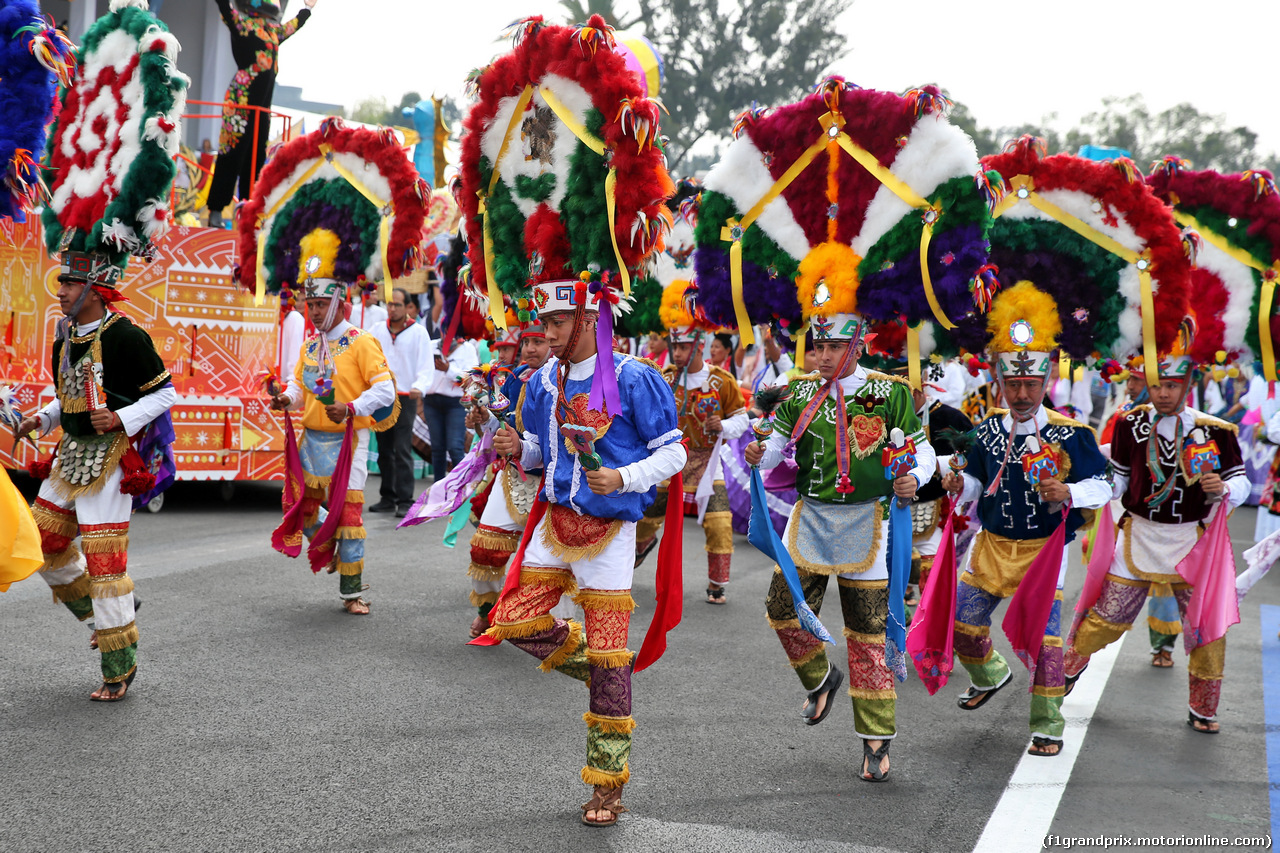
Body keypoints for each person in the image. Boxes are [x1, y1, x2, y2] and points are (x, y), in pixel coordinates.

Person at [745, 314, 935, 783]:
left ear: (859, 346)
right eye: (817, 346)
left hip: (869, 521)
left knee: (868, 635)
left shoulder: (890, 393)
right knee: (781, 608)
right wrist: (758, 451)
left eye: (834, 346)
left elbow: (921, 450)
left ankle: (876, 739)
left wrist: (916, 476)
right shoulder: (799, 391)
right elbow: (774, 446)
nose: (823, 355)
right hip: (809, 517)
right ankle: (820, 678)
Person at [941, 285, 1111, 758]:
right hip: (992, 545)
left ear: (1045, 382)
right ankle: (991, 674)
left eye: (1030, 385)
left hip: (1044, 552)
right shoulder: (988, 428)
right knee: (962, 623)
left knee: (1046, 644)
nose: (1020, 393)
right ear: (999, 380)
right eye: (1012, 384)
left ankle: (1047, 727)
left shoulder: (1071, 433)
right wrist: (961, 486)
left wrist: (1069, 491)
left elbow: (1104, 486)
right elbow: (977, 481)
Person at [1064, 345, 1247, 733]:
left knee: (1204, 630)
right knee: (1106, 619)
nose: (1164, 393)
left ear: (1188, 384)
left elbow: (1240, 480)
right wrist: (1084, 492)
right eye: (1158, 384)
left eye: (1172, 385)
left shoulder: (1216, 430)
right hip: (1139, 537)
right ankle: (1062, 676)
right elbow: (1117, 480)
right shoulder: (1131, 425)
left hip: (1192, 544)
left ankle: (1204, 706)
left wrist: (1224, 489)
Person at [20, 251, 178, 701]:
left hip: (110, 459)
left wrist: (123, 418)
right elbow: (68, 396)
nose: (61, 291)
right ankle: (99, 615)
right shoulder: (65, 335)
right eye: (62, 283)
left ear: (94, 289)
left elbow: (165, 393)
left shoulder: (126, 336)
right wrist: (43, 419)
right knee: (39, 542)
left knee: (105, 562)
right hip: (70, 454)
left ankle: (119, 668)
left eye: (69, 284)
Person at [269, 245, 396, 614]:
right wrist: (285, 399)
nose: (316, 311)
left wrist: (351, 407)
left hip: (349, 441)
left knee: (349, 517)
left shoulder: (361, 341)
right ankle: (334, 549)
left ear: (340, 303)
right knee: (301, 509)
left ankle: (352, 592)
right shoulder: (310, 346)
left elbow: (385, 388)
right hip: (313, 440)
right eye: (312, 305)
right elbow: (298, 389)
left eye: (322, 304)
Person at [635, 281, 748, 602]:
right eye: (676, 348)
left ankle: (716, 583)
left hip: (706, 460)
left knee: (719, 522)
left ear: (700, 345)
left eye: (684, 348)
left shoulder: (721, 381)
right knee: (645, 517)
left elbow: (742, 419)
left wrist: (722, 423)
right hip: (667, 460)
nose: (678, 354)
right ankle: (639, 548)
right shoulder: (664, 376)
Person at [463, 319, 550, 637]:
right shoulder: (514, 380)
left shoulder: (565, 382)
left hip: (552, 485)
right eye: (527, 342)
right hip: (514, 476)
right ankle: (488, 610)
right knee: (485, 547)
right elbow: (503, 427)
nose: (530, 349)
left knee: (548, 561)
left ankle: (548, 622)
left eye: (538, 342)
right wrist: (484, 419)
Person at [206, 0, 317, 227]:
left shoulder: (273, 31)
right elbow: (225, 9)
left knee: (255, 159)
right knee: (230, 155)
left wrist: (307, 9)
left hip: (262, 109)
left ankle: (249, 211)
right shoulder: (242, 23)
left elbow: (293, 26)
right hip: (240, 104)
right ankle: (216, 210)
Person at [370, 288, 436, 517]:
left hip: (406, 396)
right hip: (381, 395)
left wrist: (420, 385)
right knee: (384, 449)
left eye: (397, 304)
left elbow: (427, 364)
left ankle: (405, 499)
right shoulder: (377, 330)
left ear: (407, 307)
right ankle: (387, 496)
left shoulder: (417, 332)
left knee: (402, 448)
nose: (392, 308)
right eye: (389, 304)